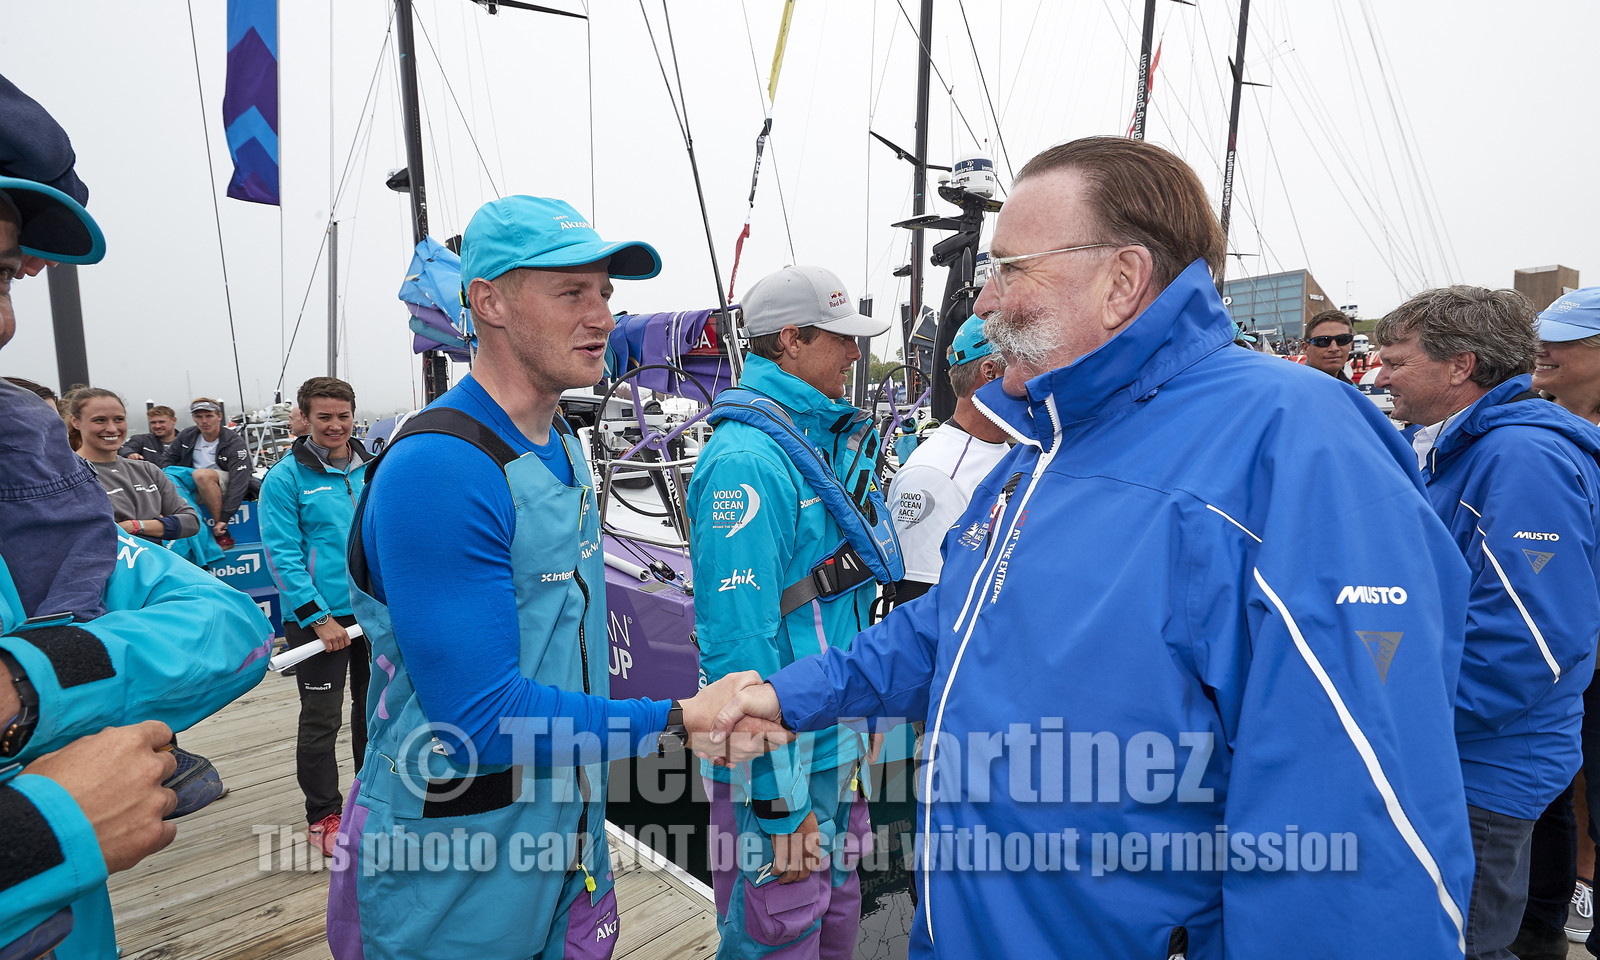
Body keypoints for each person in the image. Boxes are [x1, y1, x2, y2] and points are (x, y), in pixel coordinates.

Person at [705, 136, 1477, 958]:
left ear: (1121, 281)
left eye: (1010, 269)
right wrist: (793, 695)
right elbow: (951, 629)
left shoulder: (1298, 444)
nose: (984, 305)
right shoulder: (1046, 446)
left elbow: (1358, 831)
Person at [326, 195, 787, 960]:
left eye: (605, 292)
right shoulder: (441, 467)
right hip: (453, 859)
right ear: (490, 301)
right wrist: (677, 718)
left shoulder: (565, 447)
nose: (601, 314)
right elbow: (478, 720)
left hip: (565, 839)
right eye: (572, 292)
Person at [0, 112, 271, 960]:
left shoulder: (39, 505)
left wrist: (25, 685)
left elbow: (228, 627)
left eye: (4, 276)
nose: (4, 316)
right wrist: (42, 827)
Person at [1371, 285, 1600, 960]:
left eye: (1396, 360)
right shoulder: (1467, 449)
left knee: (1461, 941)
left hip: (1482, 763)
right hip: (1463, 748)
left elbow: (1529, 641)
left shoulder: (1519, 458)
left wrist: (1405, 722)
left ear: (1459, 366)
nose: (1379, 375)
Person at [688, 264, 894, 960]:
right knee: (777, 934)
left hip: (834, 748)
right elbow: (736, 654)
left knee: (836, 918)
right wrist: (778, 806)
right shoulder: (746, 460)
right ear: (793, 340)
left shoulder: (814, 441)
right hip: (783, 768)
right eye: (843, 338)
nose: (857, 354)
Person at [258, 376, 371, 857]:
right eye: (324, 416)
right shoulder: (286, 479)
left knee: (375, 712)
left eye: (343, 415)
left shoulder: (373, 466)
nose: (335, 425)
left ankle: (371, 804)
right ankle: (323, 812)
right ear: (305, 418)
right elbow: (282, 557)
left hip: (372, 614)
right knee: (322, 721)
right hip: (317, 622)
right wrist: (320, 618)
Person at [886, 314, 1010, 603]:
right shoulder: (933, 474)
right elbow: (915, 605)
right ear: (989, 371)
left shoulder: (1005, 450)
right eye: (1023, 365)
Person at [67, 388, 200, 544]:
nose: (111, 428)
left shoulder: (147, 470)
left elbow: (191, 522)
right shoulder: (66, 475)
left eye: (118, 419)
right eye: (99, 420)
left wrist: (136, 525)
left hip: (152, 566)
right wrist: (159, 526)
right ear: (75, 422)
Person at [165, 397, 253, 548]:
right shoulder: (187, 435)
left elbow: (240, 481)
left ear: (219, 416)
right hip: (196, 484)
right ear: (194, 418)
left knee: (202, 475)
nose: (204, 421)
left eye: (209, 416)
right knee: (169, 480)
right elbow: (166, 461)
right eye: (199, 417)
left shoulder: (233, 441)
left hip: (225, 482)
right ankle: (181, 543)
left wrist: (225, 518)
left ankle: (222, 532)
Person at [1304, 309, 1356, 382]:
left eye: (1342, 339)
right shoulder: (1292, 388)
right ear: (1306, 348)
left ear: (1351, 343)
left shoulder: (1351, 390)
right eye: (1323, 341)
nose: (1334, 348)